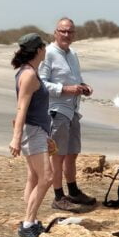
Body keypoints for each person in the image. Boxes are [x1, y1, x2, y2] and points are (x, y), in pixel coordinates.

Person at [38, 17, 96, 210]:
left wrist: (84, 87)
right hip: (56, 111)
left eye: (70, 32)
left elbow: (77, 79)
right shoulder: (48, 54)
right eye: (62, 31)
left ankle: (73, 191)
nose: (66, 35)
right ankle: (58, 196)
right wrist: (65, 89)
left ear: (74, 34)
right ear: (55, 32)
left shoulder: (73, 54)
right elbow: (41, 83)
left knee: (72, 153)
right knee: (58, 155)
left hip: (73, 111)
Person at [9, 33, 53, 237]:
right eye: (43, 46)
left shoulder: (28, 72)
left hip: (37, 130)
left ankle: (31, 220)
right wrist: (16, 138)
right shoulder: (28, 75)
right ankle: (27, 225)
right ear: (37, 50)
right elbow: (21, 108)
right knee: (47, 177)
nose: (46, 49)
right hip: (32, 130)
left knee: (34, 177)